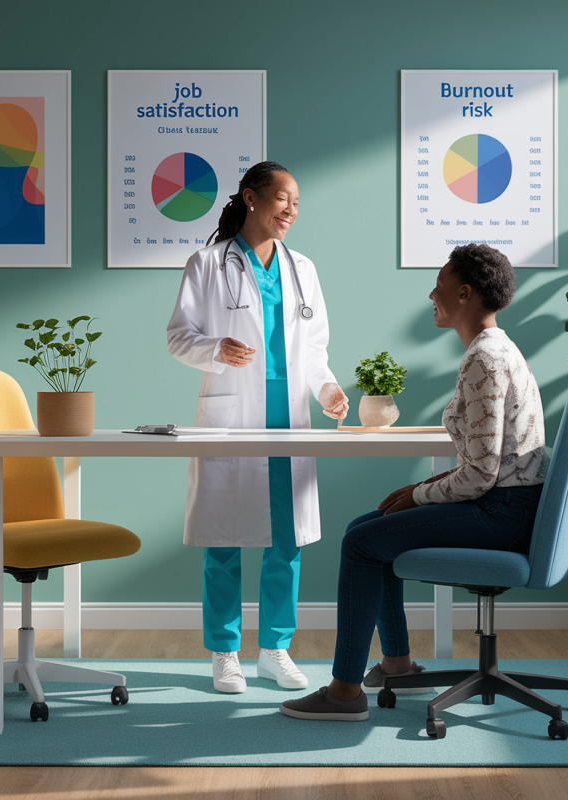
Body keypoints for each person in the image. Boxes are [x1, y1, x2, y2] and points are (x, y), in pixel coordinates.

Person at [279, 243, 545, 721]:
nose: (431, 294)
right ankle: (397, 664)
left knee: (361, 542)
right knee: (370, 526)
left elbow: (483, 474)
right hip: (504, 505)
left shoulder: (486, 359)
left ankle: (344, 694)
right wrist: (418, 493)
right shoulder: (494, 350)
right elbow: (489, 462)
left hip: (500, 514)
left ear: (464, 293)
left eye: (439, 285)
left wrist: (419, 494)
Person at [166, 161, 349, 694]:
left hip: (287, 414)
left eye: (296, 203)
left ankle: (274, 649)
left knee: (286, 539)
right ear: (251, 197)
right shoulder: (205, 263)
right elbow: (179, 337)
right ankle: (225, 654)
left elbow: (314, 352)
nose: (290, 210)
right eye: (282, 199)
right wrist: (214, 349)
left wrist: (329, 389)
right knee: (221, 539)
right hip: (232, 411)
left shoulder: (303, 268)